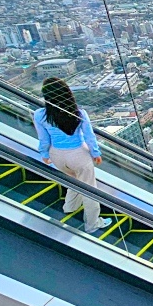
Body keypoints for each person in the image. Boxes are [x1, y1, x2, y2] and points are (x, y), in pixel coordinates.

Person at [34, 77, 112, 233]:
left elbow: (44, 139)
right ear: (67, 94)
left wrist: (44, 153)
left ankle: (70, 207)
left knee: (72, 179)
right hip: (78, 155)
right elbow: (89, 137)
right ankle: (92, 224)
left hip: (56, 155)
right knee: (89, 190)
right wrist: (96, 153)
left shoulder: (40, 115)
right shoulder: (79, 113)